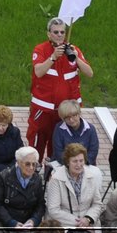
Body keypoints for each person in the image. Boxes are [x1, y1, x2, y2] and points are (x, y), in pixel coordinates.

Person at [29, 17, 92, 156]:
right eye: (55, 32)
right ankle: (34, 169)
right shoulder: (41, 49)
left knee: (59, 144)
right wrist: (52, 57)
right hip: (44, 109)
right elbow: (38, 72)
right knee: (37, 141)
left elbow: (89, 73)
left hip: (65, 111)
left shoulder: (73, 50)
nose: (59, 35)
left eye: (62, 32)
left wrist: (76, 59)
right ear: (49, 34)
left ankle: (53, 172)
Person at [45, 141, 104, 233]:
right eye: (75, 161)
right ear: (67, 162)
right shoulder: (56, 179)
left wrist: (88, 219)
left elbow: (97, 203)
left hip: (89, 226)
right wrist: (78, 222)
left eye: (81, 161)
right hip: (66, 226)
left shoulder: (91, 176)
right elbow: (53, 210)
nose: (79, 165)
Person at [50, 100, 100, 166]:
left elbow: (93, 151)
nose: (71, 120)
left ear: (79, 114)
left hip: (86, 165)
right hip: (64, 164)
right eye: (67, 117)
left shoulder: (90, 129)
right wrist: (71, 165)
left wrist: (81, 164)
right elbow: (58, 152)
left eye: (74, 115)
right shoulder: (59, 128)